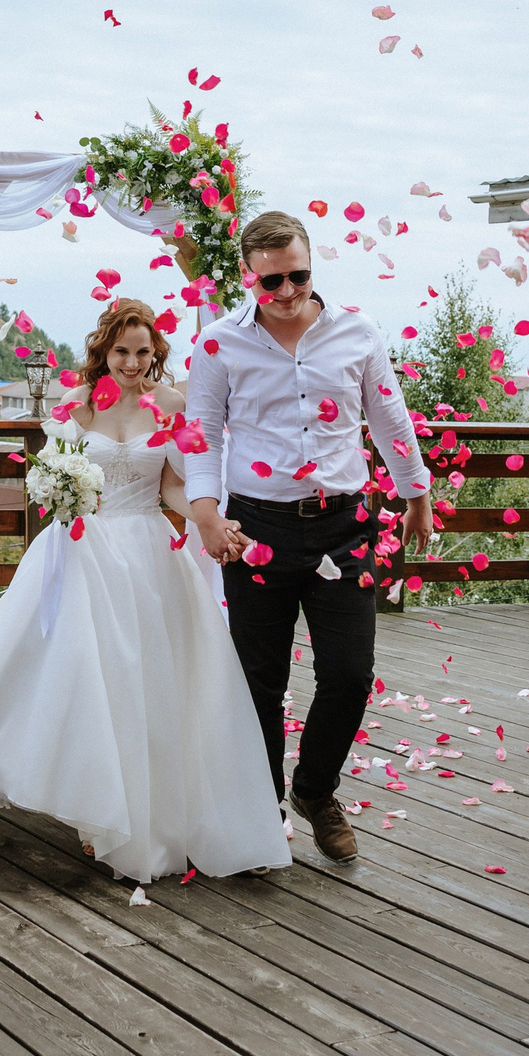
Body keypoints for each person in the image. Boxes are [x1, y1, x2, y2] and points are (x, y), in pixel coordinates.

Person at [0, 298, 293, 880]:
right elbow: (48, 476)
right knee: (67, 673)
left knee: (139, 681)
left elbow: (172, 486)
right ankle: (84, 801)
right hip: (79, 549)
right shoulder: (77, 404)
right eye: (122, 351)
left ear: (156, 352)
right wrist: (60, 496)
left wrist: (207, 521)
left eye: (144, 351)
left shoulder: (171, 405)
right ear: (104, 351)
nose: (133, 362)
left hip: (145, 552)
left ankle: (124, 814)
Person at [185, 212, 435, 862]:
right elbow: (202, 433)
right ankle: (262, 807)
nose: (288, 291)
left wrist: (417, 495)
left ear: (310, 265)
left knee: (350, 673)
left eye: (298, 275)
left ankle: (315, 789)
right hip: (254, 528)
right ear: (249, 276)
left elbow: (390, 416)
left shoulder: (356, 332)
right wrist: (206, 512)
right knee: (259, 681)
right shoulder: (218, 343)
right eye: (272, 282)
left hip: (343, 524)